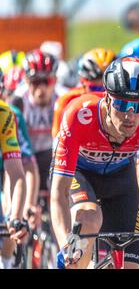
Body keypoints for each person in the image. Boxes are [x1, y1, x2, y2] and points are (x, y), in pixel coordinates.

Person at [50, 57, 139, 269]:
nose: (130, 115)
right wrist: (65, 245)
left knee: (131, 266)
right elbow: (58, 192)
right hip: (80, 173)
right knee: (89, 218)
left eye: (138, 106)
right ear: (107, 99)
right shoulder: (79, 114)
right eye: (122, 103)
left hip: (121, 179)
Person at [11, 49, 59, 194]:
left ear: (55, 80)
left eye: (47, 81)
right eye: (35, 82)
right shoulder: (17, 101)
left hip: (51, 155)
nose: (41, 89)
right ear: (26, 81)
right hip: (24, 155)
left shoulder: (62, 99)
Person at [51, 48, 116, 138]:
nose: (102, 95)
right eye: (96, 88)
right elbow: (57, 140)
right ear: (82, 82)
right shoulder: (66, 101)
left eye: (107, 90)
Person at [0, 94, 28, 268]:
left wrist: (15, 218)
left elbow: (17, 174)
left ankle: (6, 261)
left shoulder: (4, 113)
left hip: (2, 172)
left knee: (7, 229)